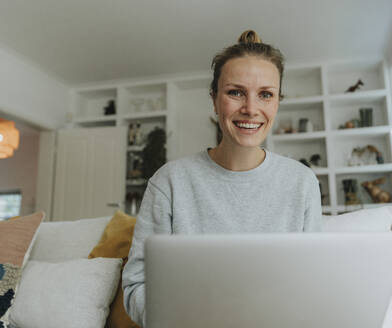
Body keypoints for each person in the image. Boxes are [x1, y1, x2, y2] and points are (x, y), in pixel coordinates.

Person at [122, 30, 322, 327]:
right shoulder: (170, 182)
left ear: (278, 102)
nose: (251, 109)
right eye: (235, 92)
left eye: (265, 94)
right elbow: (138, 286)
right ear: (214, 99)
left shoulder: (303, 183)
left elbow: (313, 284)